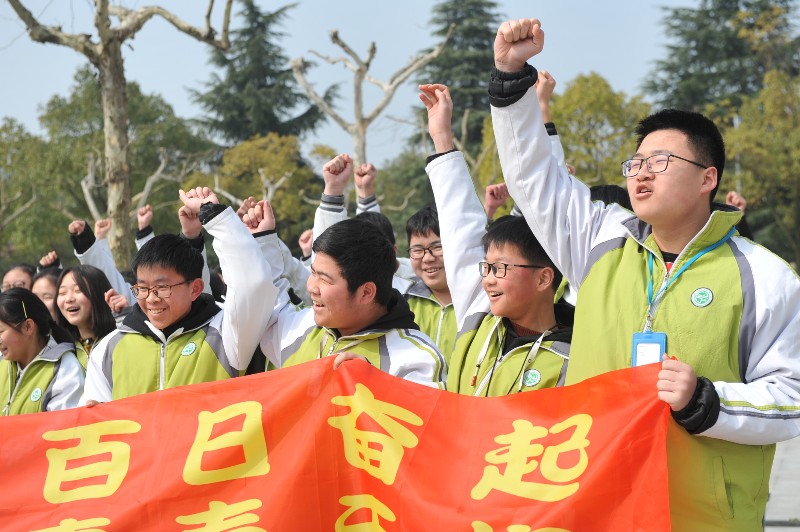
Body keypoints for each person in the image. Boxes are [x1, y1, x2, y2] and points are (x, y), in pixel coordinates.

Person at [489, 18, 800, 530]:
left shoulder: (764, 276)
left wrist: (709, 401)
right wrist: (510, 76)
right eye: (635, 162)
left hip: (699, 518)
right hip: (595, 509)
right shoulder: (599, 240)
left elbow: (789, 397)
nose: (640, 172)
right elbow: (534, 177)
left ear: (708, 178)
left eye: (661, 160)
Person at [420, 83, 571, 396]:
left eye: (500, 269)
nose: (487, 280)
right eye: (485, 268)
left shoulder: (577, 355)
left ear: (544, 277)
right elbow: (459, 223)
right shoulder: (480, 317)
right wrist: (441, 137)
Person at [81, 187, 276, 404]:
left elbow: (254, 284)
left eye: (162, 288)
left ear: (195, 289)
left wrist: (213, 214)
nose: (151, 298)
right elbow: (94, 425)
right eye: (142, 288)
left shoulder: (226, 335)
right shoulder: (109, 349)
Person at [251, 193, 446, 388]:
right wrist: (262, 239)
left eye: (325, 279)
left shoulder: (415, 360)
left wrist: (377, 388)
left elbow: (424, 416)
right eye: (313, 273)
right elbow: (269, 301)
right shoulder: (300, 327)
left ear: (366, 292)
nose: (311, 287)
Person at [0, 288, 84, 415]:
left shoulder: (64, 368)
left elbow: (62, 428)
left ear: (28, 326)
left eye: (0, 332)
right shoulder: (3, 364)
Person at [403, 205, 457, 360]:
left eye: (437, 247)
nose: (427, 258)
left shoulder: (480, 302)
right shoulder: (403, 303)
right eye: (418, 250)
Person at [56, 265, 117, 369]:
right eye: (62, 293)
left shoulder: (118, 339)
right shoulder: (62, 351)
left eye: (78, 290)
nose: (69, 299)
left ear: (99, 294)